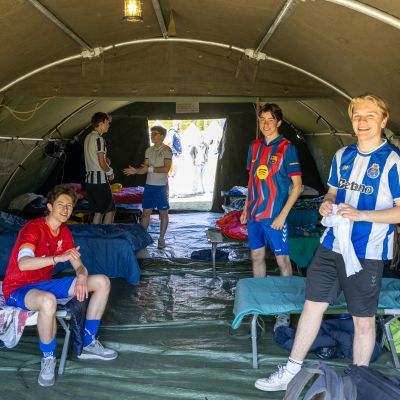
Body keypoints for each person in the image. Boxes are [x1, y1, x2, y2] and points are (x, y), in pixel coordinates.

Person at [255, 93, 400, 392]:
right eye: (357, 116)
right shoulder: (342, 155)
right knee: (312, 307)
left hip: (366, 252)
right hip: (331, 244)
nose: (362, 122)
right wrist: (326, 203)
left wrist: (361, 214)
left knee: (363, 320)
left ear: (384, 120)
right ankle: (291, 371)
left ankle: (358, 384)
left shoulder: (393, 161)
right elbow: (333, 192)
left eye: (370, 116)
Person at [2, 185, 118, 387]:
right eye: (60, 204)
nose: (65, 209)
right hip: (19, 287)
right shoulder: (33, 228)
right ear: (49, 207)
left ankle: (89, 342)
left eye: (69, 205)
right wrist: (57, 258)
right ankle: (48, 358)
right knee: (48, 301)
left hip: (45, 284)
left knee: (102, 282)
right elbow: (24, 263)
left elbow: (79, 265)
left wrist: (81, 275)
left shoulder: (64, 232)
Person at [240, 103, 303, 330]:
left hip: (275, 215)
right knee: (256, 257)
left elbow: (298, 186)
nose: (265, 124)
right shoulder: (254, 146)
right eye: (262, 119)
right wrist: (246, 207)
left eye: (270, 119)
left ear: (279, 122)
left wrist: (282, 215)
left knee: (282, 261)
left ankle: (285, 311)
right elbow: (252, 180)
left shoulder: (287, 148)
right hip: (255, 213)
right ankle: (259, 303)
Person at [123, 126, 172, 249]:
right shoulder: (148, 150)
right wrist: (136, 171)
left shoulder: (167, 150)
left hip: (161, 187)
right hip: (149, 186)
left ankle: (161, 239)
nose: (152, 136)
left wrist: (148, 169)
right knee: (145, 213)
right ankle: (142, 238)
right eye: (151, 133)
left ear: (162, 136)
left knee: (163, 213)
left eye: (155, 134)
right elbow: (144, 169)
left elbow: (166, 169)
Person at [84, 112, 115, 224]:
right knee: (110, 211)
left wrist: (106, 161)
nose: (108, 125)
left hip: (90, 181)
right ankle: (106, 234)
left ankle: (96, 234)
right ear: (101, 124)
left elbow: (96, 159)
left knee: (98, 212)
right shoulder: (99, 139)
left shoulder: (88, 137)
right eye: (107, 123)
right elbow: (102, 163)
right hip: (100, 181)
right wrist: (110, 173)